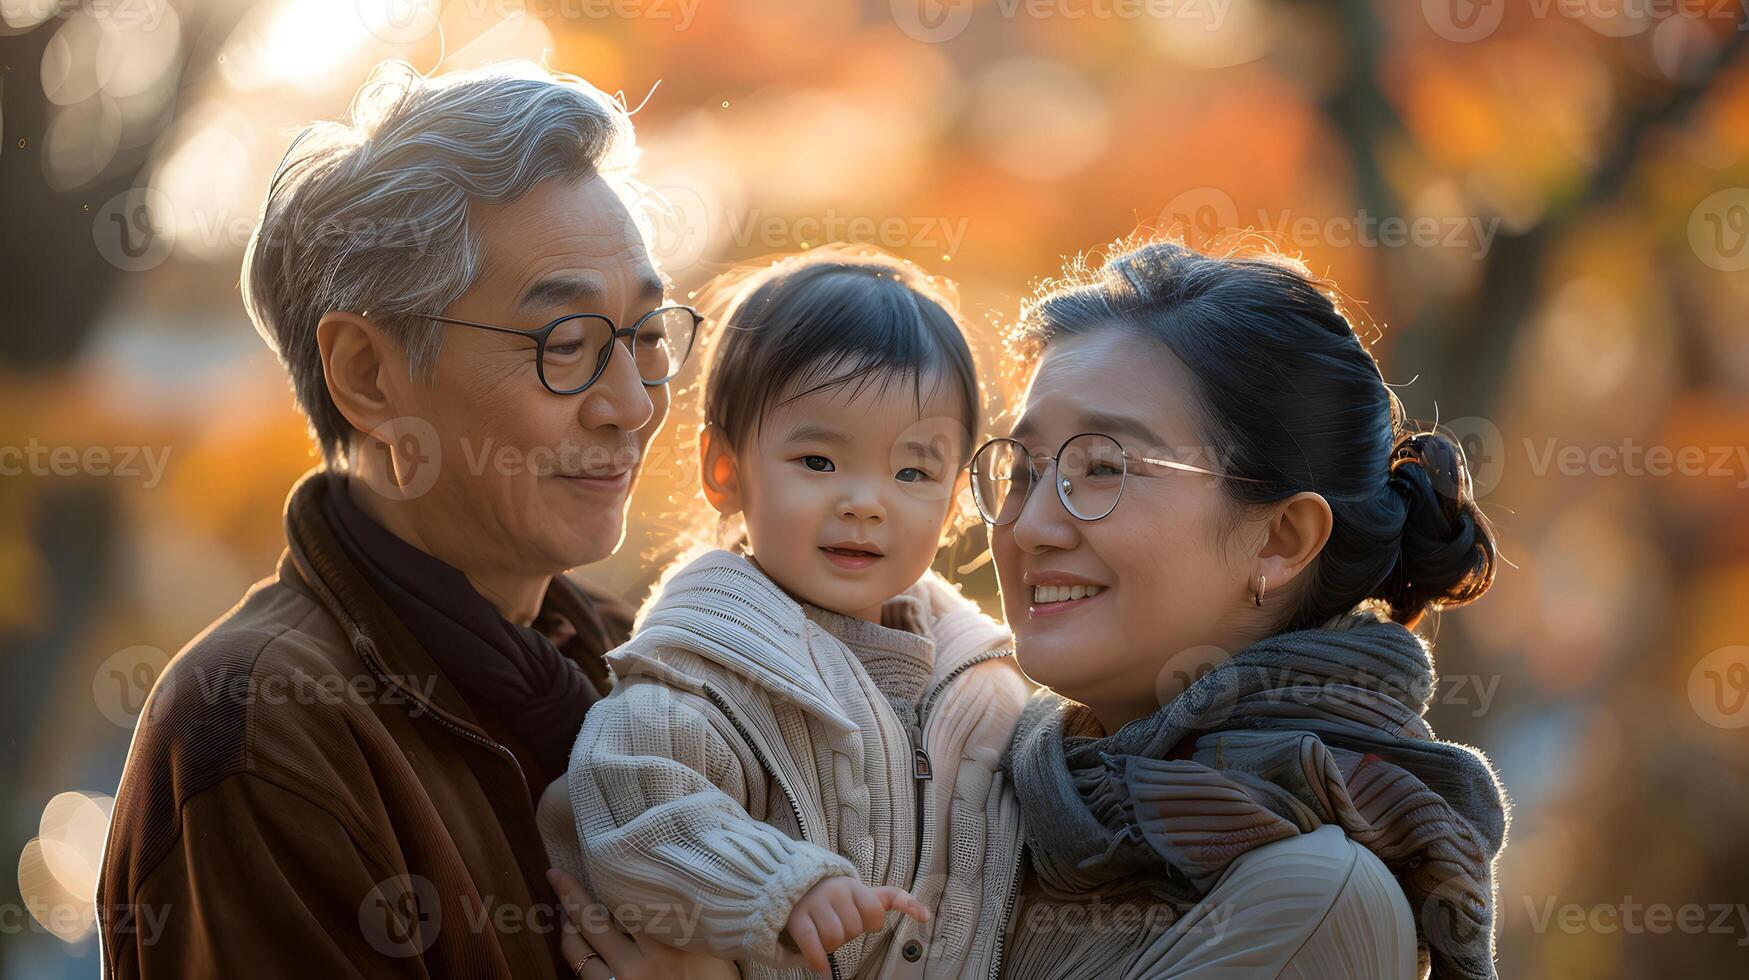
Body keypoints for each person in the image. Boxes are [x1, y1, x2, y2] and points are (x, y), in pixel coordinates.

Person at [96, 60, 708, 979]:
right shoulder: (261, 731)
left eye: (648, 337)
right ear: (369, 376)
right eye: (567, 345)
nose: (631, 403)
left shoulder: (653, 668)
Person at [979, 239, 1511, 979]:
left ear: (1280, 540)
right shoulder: (980, 778)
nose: (1030, 525)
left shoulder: (1310, 900)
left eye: (1102, 468)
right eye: (1022, 471)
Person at [540, 250, 1035, 979]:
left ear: (956, 496)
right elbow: (631, 804)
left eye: (912, 471)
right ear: (724, 469)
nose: (865, 501)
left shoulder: (987, 686)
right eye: (818, 462)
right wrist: (778, 883)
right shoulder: (700, 673)